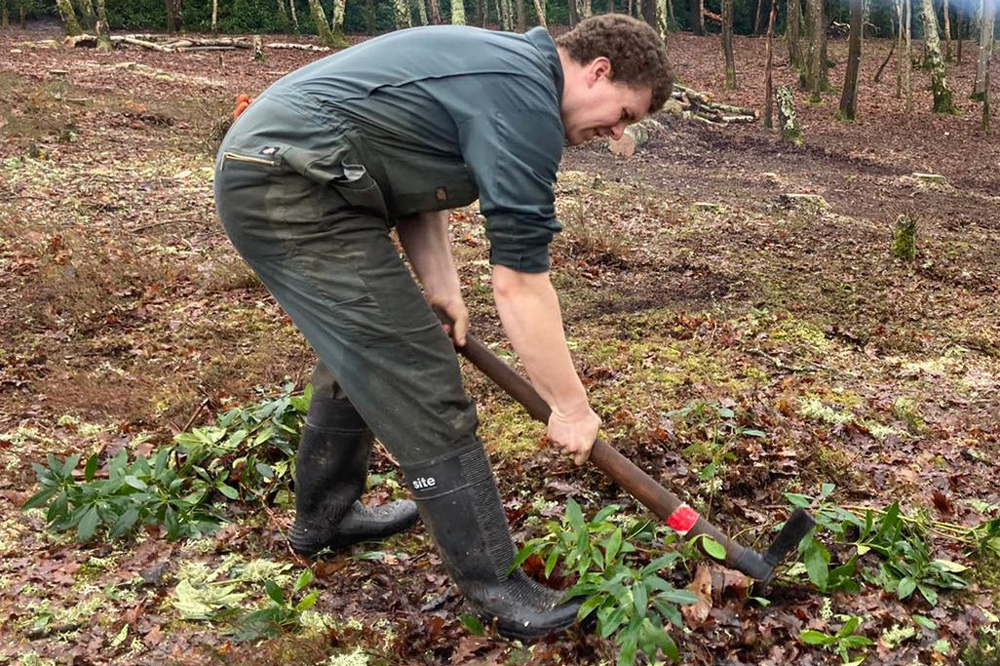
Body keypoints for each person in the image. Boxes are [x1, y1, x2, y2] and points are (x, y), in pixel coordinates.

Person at [214, 14, 672, 641]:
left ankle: (326, 516)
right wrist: (570, 406)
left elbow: (405, 164)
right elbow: (520, 283)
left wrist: (442, 286)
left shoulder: (505, 71)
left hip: (302, 171)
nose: (617, 133)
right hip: (289, 183)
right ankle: (497, 586)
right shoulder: (524, 103)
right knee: (416, 369)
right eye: (625, 113)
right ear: (599, 72)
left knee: (369, 346)